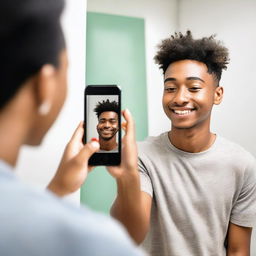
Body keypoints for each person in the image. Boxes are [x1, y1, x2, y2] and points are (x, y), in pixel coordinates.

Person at [0, 0, 145, 255]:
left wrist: (58, 188)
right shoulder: (88, 240)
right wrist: (130, 175)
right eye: (65, 68)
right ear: (44, 85)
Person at [109, 31, 256, 255]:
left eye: (194, 88)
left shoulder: (242, 165)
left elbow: (238, 249)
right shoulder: (141, 156)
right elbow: (127, 233)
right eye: (170, 88)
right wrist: (125, 178)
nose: (179, 98)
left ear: (217, 95)